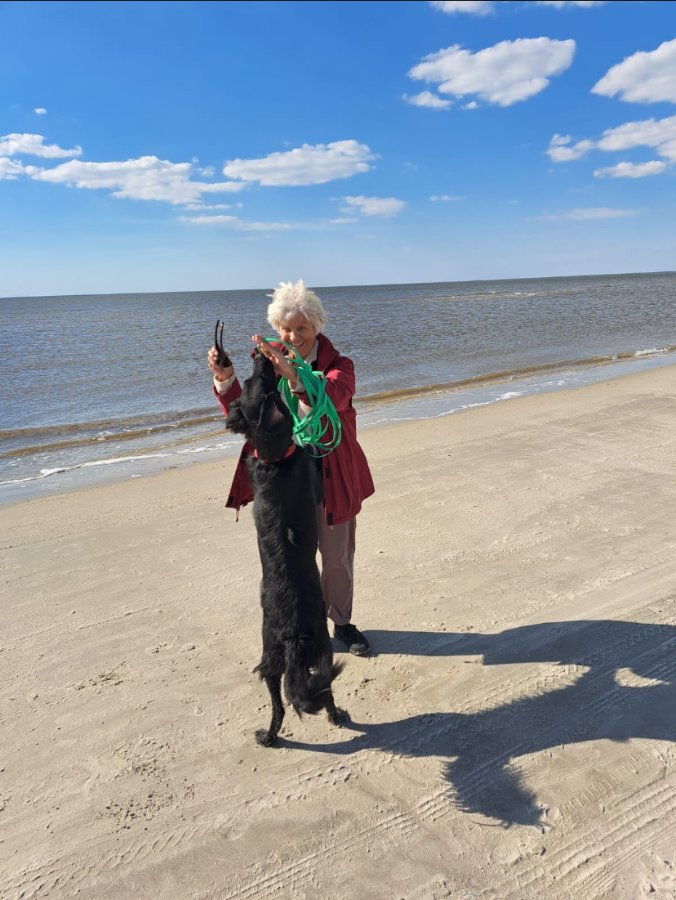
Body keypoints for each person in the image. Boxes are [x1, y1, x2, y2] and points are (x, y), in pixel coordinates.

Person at [207, 280, 375, 656]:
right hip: (286, 481)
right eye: (286, 329)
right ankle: (303, 627)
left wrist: (294, 376)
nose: (294, 336)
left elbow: (334, 397)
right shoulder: (269, 362)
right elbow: (247, 411)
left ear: (317, 326)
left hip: (333, 477)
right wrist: (225, 377)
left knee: (336, 558)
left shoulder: (340, 366)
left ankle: (342, 623)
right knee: (291, 560)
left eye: (302, 328)